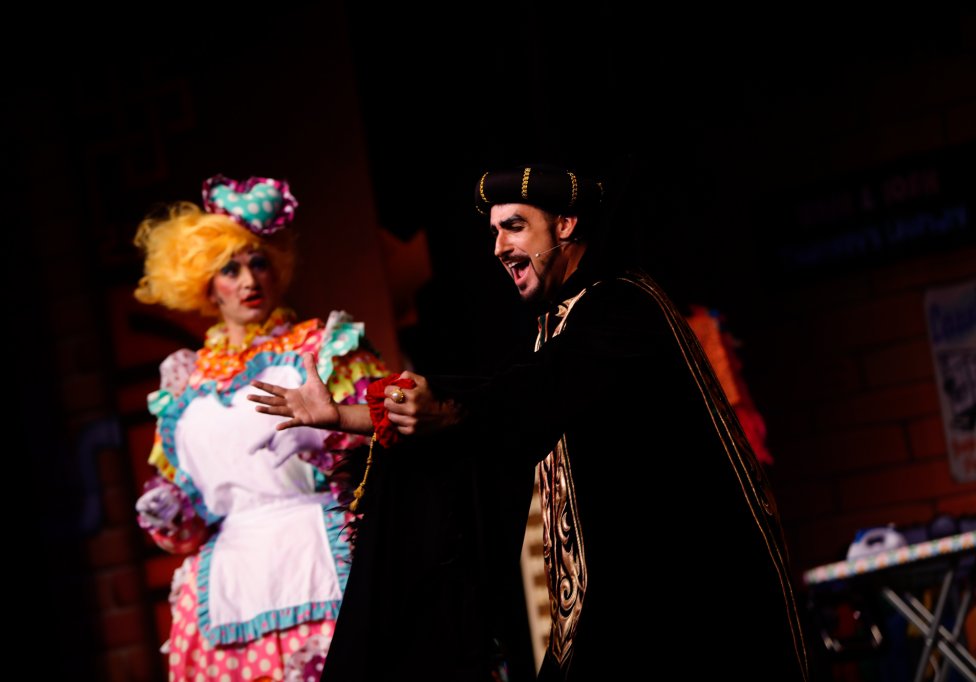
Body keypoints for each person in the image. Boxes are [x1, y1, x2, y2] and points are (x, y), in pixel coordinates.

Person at [251, 166, 811, 681]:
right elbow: (504, 402)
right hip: (618, 598)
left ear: (565, 224)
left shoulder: (621, 304)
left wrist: (444, 409)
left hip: (684, 599)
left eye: (514, 227)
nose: (498, 247)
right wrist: (342, 416)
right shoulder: (560, 324)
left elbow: (523, 397)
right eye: (494, 232)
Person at [133, 174, 388, 682]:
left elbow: (388, 437)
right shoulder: (185, 383)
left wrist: (334, 439)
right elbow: (191, 523)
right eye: (230, 268)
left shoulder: (321, 347)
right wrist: (170, 512)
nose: (249, 280)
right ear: (206, 284)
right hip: (231, 583)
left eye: (259, 263)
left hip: (324, 555)